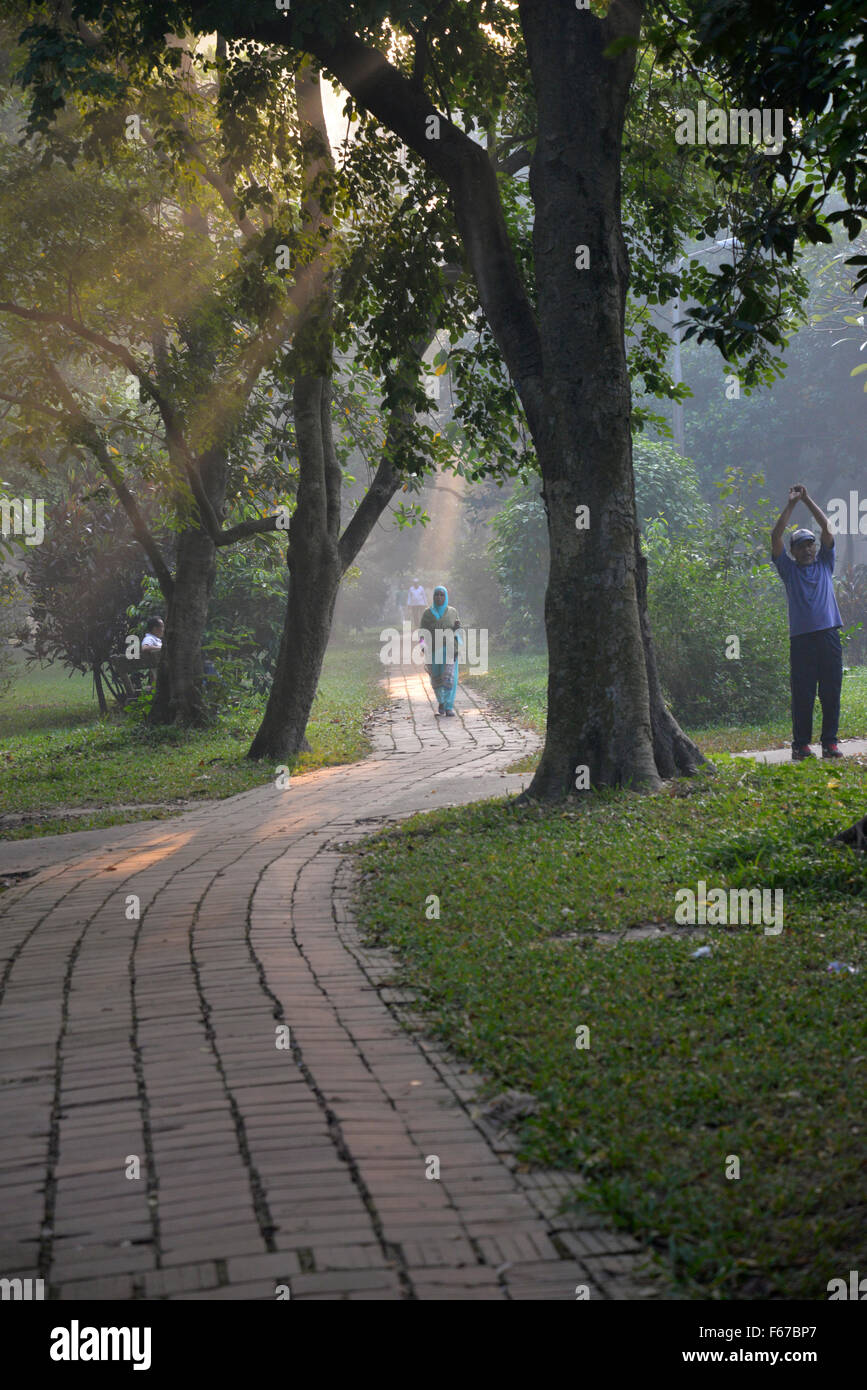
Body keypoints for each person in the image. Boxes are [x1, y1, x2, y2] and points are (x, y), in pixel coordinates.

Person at [771, 484, 844, 760]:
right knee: (803, 694)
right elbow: (775, 536)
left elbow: (827, 528)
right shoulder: (788, 571)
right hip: (801, 641)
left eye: (810, 544)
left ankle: (830, 743)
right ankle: (801, 745)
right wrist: (791, 505)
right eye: (802, 546)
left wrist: (807, 499)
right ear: (793, 551)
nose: (808, 549)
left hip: (828, 636)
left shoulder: (825, 563)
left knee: (831, 691)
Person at [420, 584, 462, 716]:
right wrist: (422, 645)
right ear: (433, 597)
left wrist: (456, 628)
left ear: (446, 597)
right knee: (436, 679)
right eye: (437, 595)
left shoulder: (452, 612)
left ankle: (449, 706)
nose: (439, 597)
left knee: (449, 678)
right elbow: (422, 632)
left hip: (450, 649)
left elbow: (457, 631)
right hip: (433, 650)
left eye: (442, 595)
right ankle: (441, 702)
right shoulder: (427, 613)